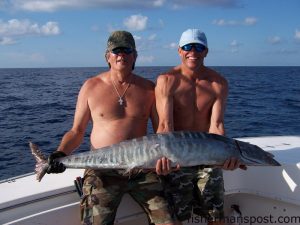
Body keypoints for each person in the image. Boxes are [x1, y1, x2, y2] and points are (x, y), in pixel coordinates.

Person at [46, 30, 177, 225]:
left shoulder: (149, 89)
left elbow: (162, 134)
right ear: (108, 56)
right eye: (116, 51)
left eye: (127, 50)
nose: (121, 55)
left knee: (170, 221)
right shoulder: (90, 87)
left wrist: (165, 162)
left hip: (142, 168)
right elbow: (77, 131)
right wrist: (61, 152)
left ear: (135, 56)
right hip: (102, 169)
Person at [155, 29, 245, 225]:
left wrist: (224, 157)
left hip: (208, 158)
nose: (192, 52)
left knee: (216, 216)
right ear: (179, 50)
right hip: (176, 158)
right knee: (174, 218)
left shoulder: (218, 83)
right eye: (187, 47)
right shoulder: (167, 80)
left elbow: (217, 125)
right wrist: (163, 159)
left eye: (198, 47)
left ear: (206, 51)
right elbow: (165, 125)